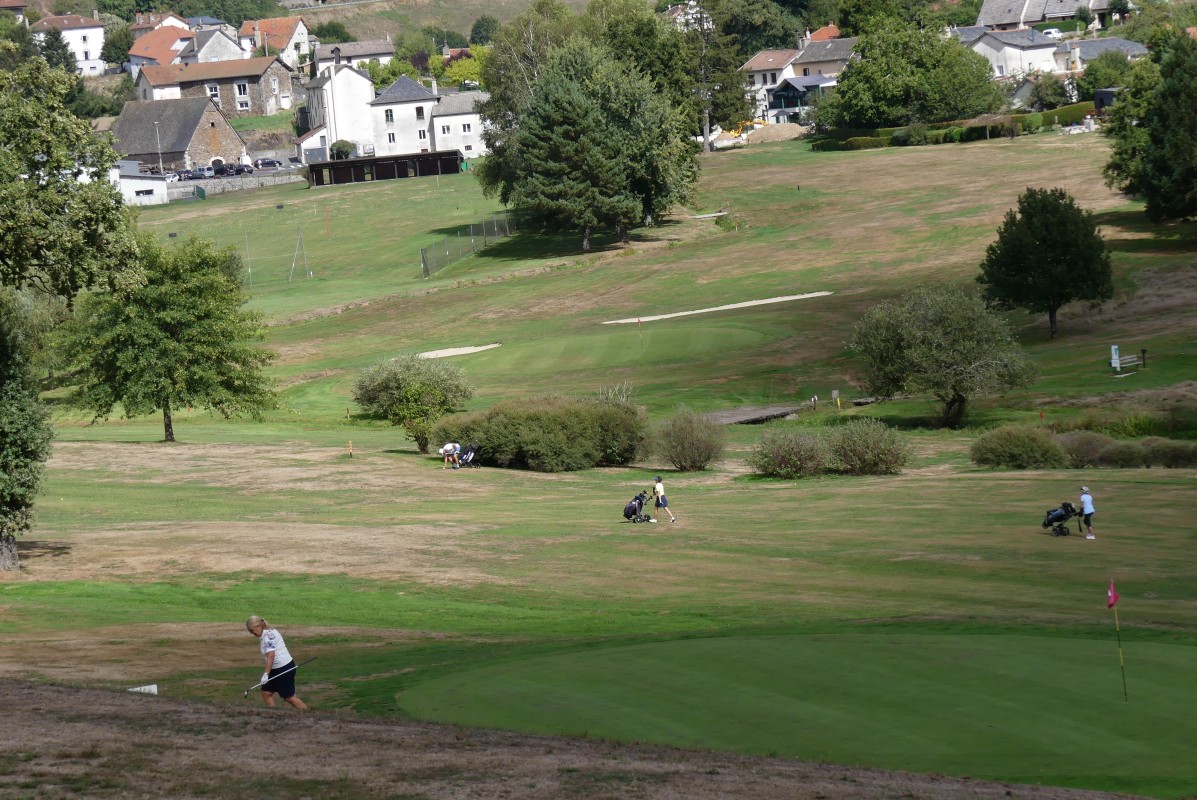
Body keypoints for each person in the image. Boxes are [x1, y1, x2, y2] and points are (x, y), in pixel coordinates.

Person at [246, 615, 308, 710]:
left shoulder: (268, 636)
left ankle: (309, 714)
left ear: (258, 626)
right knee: (266, 692)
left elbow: (271, 655)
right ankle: (275, 714)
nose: (251, 633)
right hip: (275, 668)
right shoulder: (265, 632)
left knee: (288, 697)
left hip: (284, 668)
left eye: (252, 630)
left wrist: (266, 674)